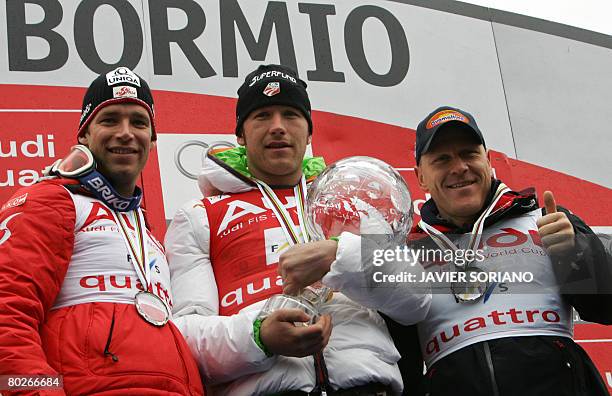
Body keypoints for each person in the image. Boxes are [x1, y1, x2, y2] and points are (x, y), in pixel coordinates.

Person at [281, 105, 612, 396]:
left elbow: (607, 307)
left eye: (469, 153)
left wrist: (577, 253)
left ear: (488, 160)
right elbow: (402, 363)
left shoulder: (543, 218)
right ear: (421, 177)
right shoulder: (405, 251)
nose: (459, 167)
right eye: (442, 159)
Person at [165, 64, 431, 396]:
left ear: (308, 133)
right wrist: (258, 335)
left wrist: (341, 254)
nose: (278, 127)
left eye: (290, 115)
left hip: (366, 387)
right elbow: (184, 336)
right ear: (240, 135)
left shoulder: (349, 201)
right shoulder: (199, 215)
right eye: (262, 115)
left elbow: (416, 300)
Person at [0, 67, 204, 395]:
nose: (126, 133)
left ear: (152, 140)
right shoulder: (53, 199)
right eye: (110, 120)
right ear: (84, 135)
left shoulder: (147, 232)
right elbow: (7, 313)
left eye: (139, 122)